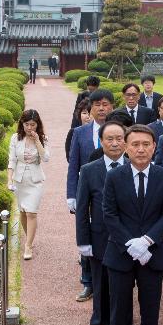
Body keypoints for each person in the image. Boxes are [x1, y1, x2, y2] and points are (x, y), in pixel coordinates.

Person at [101, 124, 163, 325]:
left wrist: (146, 241)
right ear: (126, 147)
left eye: (146, 144)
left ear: (154, 146)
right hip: (120, 254)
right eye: (135, 144)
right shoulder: (114, 176)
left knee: (150, 310)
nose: (141, 149)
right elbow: (109, 214)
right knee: (119, 310)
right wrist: (129, 243)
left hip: (152, 254)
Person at [75, 122, 128, 325]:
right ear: (101, 142)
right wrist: (83, 242)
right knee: (101, 286)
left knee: (124, 288)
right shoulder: (90, 170)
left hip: (127, 240)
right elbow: (82, 208)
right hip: (99, 239)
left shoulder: (134, 167)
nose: (115, 143)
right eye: (110, 139)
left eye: (119, 138)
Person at [67, 89, 114, 301]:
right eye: (97, 105)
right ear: (90, 108)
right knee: (86, 234)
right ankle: (87, 282)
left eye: (106, 104)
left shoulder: (120, 133)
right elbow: (73, 165)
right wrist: (71, 194)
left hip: (114, 194)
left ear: (112, 107)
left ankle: (112, 280)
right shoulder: (80, 132)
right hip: (87, 192)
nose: (102, 108)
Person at [7, 109, 49, 260]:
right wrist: (9, 179)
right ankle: (29, 238)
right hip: (20, 180)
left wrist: (37, 140)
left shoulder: (43, 138)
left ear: (37, 125)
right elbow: (12, 160)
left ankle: (28, 245)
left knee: (32, 212)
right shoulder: (15, 138)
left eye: (33, 124)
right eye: (27, 124)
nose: (30, 128)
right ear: (22, 124)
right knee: (23, 212)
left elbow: (46, 158)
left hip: (35, 180)